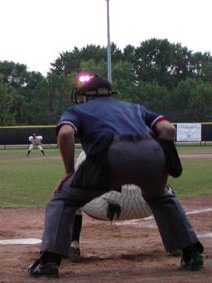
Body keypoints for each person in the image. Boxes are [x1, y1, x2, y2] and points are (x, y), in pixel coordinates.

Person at [27, 75, 204, 277]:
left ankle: (49, 261)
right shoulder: (135, 108)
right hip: (151, 153)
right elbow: (168, 129)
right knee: (162, 197)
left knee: (63, 199)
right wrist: (166, 158)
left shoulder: (77, 110)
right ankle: (191, 253)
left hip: (110, 155)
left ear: (86, 97)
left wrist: (69, 172)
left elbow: (66, 133)